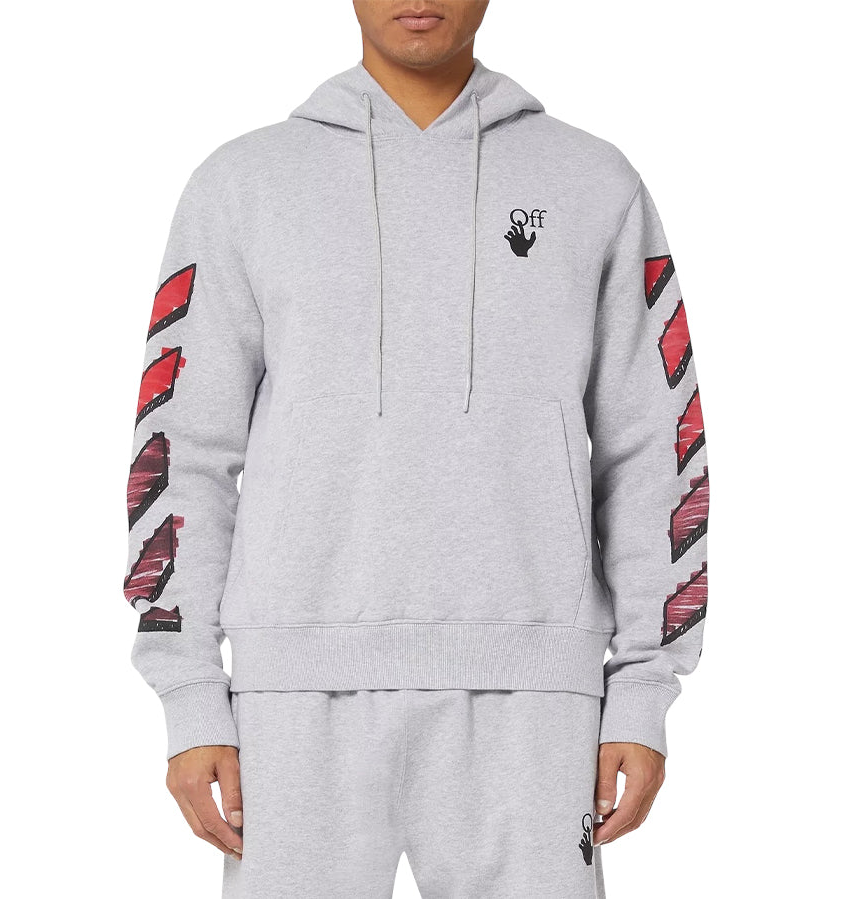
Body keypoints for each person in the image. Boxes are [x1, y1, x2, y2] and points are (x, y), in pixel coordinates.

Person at [122, 1, 710, 895]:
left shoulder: (594, 182)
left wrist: (643, 687)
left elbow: (655, 446)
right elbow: (181, 448)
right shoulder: (243, 185)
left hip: (535, 696)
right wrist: (190, 689)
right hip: (291, 696)